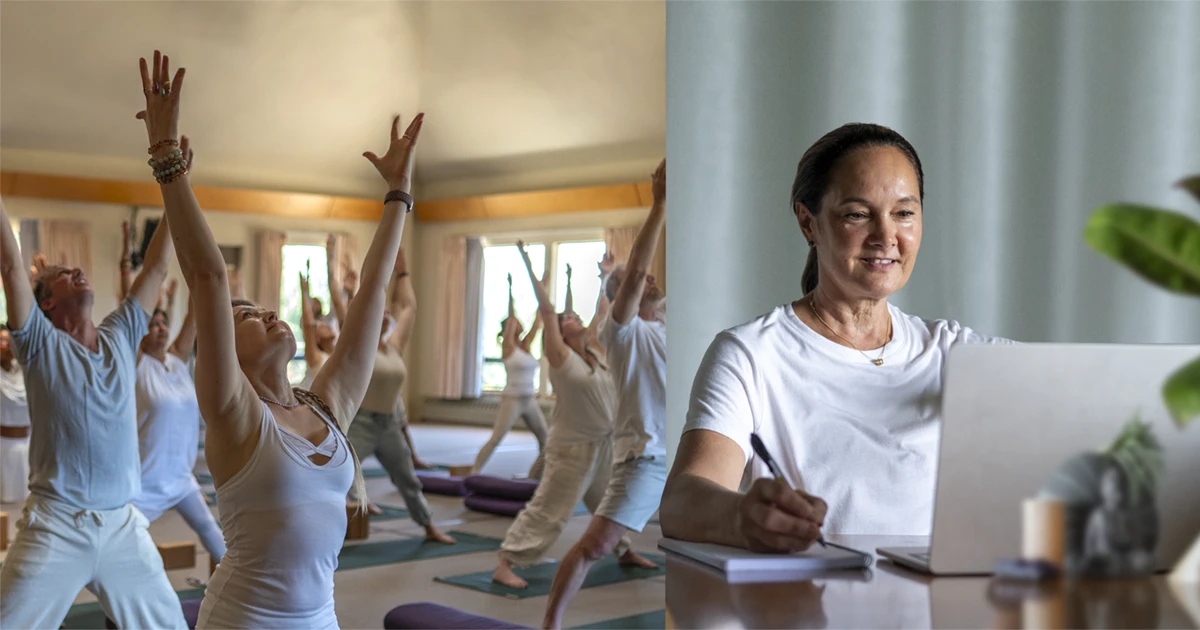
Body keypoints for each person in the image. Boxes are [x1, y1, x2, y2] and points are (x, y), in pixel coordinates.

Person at [131, 49, 422, 628]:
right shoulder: (234, 412)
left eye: (265, 308)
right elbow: (211, 278)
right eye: (245, 316)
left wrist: (399, 195)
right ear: (224, 353)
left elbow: (372, 293)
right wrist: (166, 158)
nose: (265, 313)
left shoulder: (327, 403)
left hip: (322, 618)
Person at [659, 123, 1013, 554]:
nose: (886, 236)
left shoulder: (954, 352)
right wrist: (740, 516)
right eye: (857, 214)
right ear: (808, 223)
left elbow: (1086, 393)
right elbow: (681, 501)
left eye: (904, 213)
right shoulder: (750, 355)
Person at [0, 188, 182, 625]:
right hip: (56, 524)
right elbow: (9, 264)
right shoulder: (39, 344)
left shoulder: (121, 331)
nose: (78, 271)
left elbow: (156, 266)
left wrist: (176, 186)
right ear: (45, 303)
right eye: (63, 275)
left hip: (122, 525)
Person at [543, 159, 667, 630]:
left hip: (695, 452)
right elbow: (634, 276)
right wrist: (658, 205)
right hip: (647, 457)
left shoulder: (672, 320)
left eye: (654, 278)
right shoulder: (623, 333)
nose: (652, 279)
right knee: (594, 545)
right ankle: (552, 621)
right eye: (639, 282)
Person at [492, 245, 655, 589]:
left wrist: (605, 275)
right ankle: (507, 560)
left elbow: (604, 309)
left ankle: (623, 550)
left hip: (603, 445)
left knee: (610, 504)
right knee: (550, 509)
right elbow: (548, 310)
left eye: (574, 316)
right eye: (566, 320)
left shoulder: (596, 351)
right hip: (571, 449)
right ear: (560, 333)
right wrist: (527, 265)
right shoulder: (560, 357)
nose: (572, 318)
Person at [345, 246, 455, 543]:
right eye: (379, 312)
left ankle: (429, 526)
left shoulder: (393, 346)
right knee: (338, 475)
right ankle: (330, 531)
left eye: (387, 313)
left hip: (389, 424)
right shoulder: (358, 346)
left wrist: (403, 271)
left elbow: (409, 308)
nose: (386, 316)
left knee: (408, 479)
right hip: (361, 424)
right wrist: (349, 289)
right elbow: (352, 309)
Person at [132, 297, 226, 564]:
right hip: (145, 480)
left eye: (163, 323)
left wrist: (197, 273)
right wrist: (127, 269)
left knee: (210, 528)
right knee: (123, 540)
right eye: (152, 324)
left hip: (181, 477)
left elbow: (193, 315)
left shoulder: (178, 362)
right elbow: (130, 311)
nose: (161, 328)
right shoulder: (138, 365)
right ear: (140, 331)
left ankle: (240, 592)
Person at [472, 273, 548, 474]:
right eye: (514, 322)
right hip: (512, 399)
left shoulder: (526, 345)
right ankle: (474, 472)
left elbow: (539, 320)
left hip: (529, 398)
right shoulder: (508, 347)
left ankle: (536, 476)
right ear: (509, 328)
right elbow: (512, 317)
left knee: (545, 439)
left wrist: (544, 287)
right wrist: (510, 290)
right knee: (497, 437)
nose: (519, 322)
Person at [0, 324, 31, 504]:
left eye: (8, 340)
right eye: (1, 341)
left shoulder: (25, 370)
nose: (6, 345)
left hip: (26, 446)